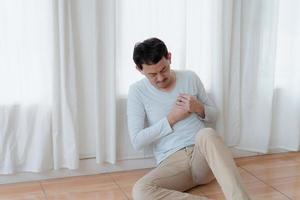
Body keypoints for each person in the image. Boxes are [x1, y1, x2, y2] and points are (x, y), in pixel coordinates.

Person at [127, 37, 250, 200]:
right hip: (172, 163)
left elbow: (215, 116)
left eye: (163, 69)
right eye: (152, 74)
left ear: (169, 57)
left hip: (202, 156)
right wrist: (171, 119)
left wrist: (199, 108)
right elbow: (137, 141)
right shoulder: (137, 91)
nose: (160, 78)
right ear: (139, 69)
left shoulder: (190, 77)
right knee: (141, 191)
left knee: (207, 134)